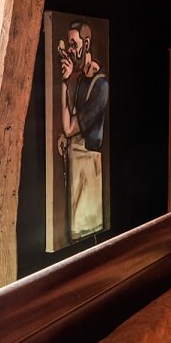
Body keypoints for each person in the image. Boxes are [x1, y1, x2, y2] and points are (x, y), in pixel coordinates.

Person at [56, 21, 108, 239]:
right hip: (76, 161)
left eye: (73, 44)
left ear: (86, 44)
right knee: (75, 231)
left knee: (85, 229)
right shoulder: (81, 81)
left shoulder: (100, 86)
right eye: (68, 45)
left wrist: (64, 82)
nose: (70, 50)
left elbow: (69, 127)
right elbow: (70, 124)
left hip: (88, 166)